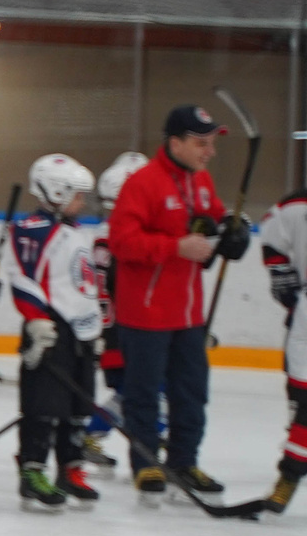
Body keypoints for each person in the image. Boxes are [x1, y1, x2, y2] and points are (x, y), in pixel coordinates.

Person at [106, 106, 247, 501]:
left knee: (192, 391)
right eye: (201, 144)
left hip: (188, 313)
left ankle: (184, 462)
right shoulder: (143, 184)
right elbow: (122, 242)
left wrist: (236, 229)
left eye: (212, 143)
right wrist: (175, 247)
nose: (210, 152)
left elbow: (217, 216)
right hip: (146, 313)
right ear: (176, 143)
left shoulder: (200, 181)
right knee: (144, 393)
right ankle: (147, 463)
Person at [7, 154, 104, 511]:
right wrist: (35, 321)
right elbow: (22, 279)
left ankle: (71, 468)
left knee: (78, 406)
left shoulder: (75, 231)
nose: (82, 202)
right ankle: (32, 470)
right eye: (77, 195)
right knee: (42, 406)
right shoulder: (33, 229)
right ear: (56, 192)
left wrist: (95, 325)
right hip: (49, 329)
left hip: (80, 333)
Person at [78, 151, 148, 469]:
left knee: (132, 393)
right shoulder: (125, 240)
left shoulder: (101, 237)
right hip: (130, 331)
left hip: (111, 333)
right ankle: (153, 450)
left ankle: (89, 435)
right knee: (148, 393)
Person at [252, 184, 307, 514]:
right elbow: (272, 232)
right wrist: (278, 268)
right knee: (304, 402)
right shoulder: (297, 205)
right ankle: (291, 472)